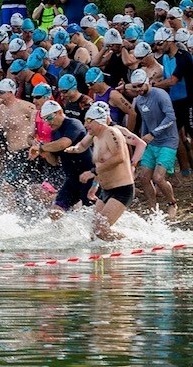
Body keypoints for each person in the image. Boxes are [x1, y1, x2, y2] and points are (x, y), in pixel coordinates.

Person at [66, 103, 141, 240]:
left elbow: (119, 157)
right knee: (93, 233)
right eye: (85, 121)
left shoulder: (112, 132)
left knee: (101, 230)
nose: (85, 125)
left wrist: (93, 172)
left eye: (89, 121)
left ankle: (134, 244)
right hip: (106, 190)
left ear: (99, 122)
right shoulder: (96, 137)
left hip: (122, 190)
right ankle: (101, 260)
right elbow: (83, 147)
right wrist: (95, 185)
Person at [127, 69, 179, 216]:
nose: (138, 90)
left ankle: (172, 203)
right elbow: (146, 120)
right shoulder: (139, 99)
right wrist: (143, 138)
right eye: (135, 87)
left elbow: (170, 118)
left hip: (168, 141)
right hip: (152, 142)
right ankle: (152, 209)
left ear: (148, 82)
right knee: (144, 177)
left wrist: (153, 134)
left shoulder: (160, 95)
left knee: (158, 178)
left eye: (140, 86)